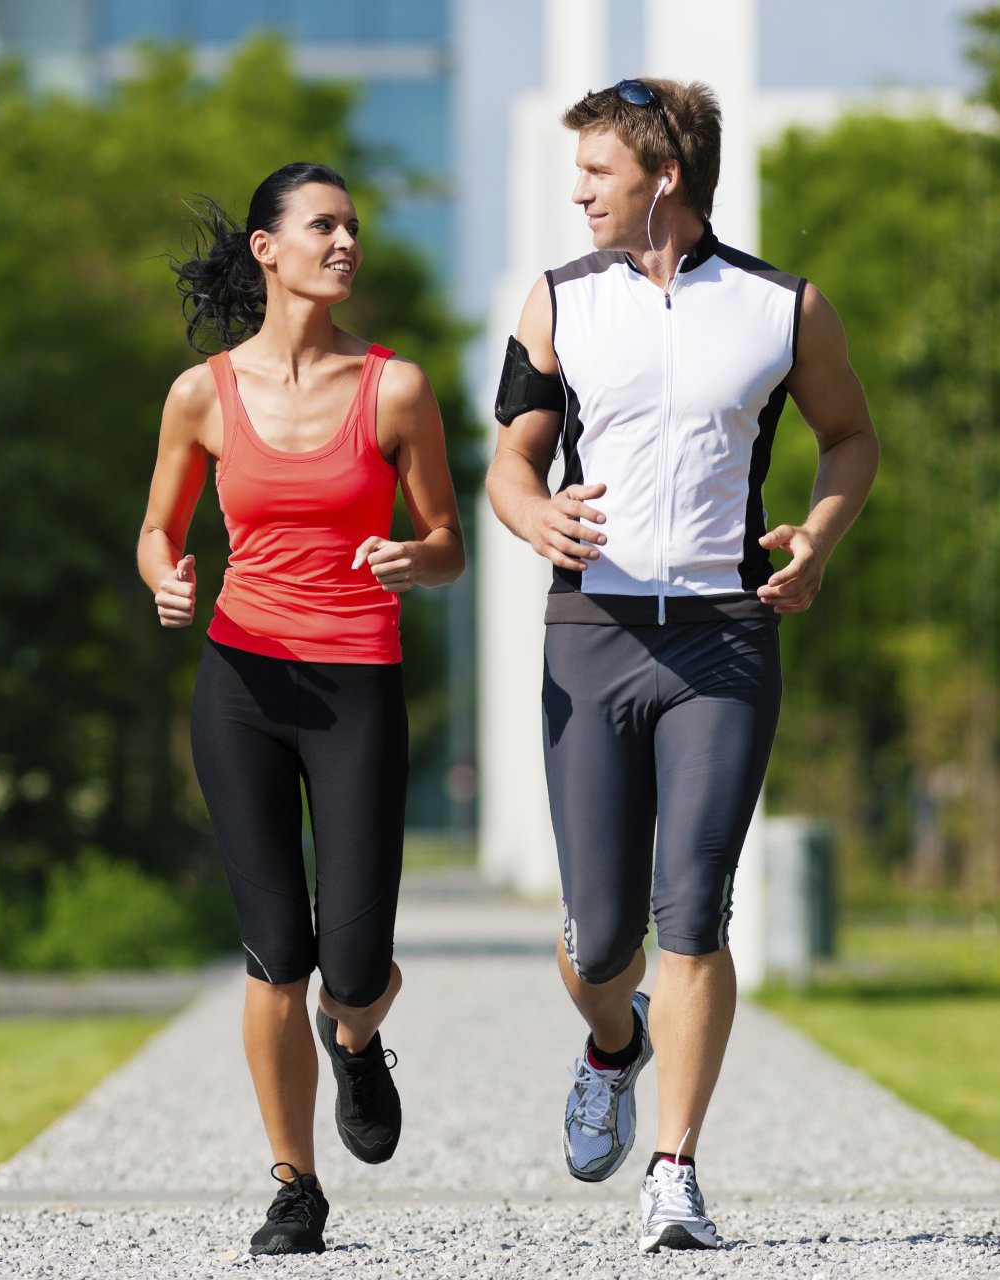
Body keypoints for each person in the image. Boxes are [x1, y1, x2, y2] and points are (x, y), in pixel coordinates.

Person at [486, 79, 879, 1252]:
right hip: (592, 638)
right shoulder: (557, 300)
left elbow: (850, 436)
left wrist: (816, 534)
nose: (578, 191)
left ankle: (675, 1167)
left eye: (596, 171)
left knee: (692, 908)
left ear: (664, 176)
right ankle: (613, 1039)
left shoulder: (783, 305)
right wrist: (531, 517)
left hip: (722, 638)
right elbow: (511, 459)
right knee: (601, 938)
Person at [137, 161, 464, 1256]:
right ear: (266, 248)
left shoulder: (397, 389)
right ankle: (294, 1183)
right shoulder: (202, 395)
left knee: (354, 966)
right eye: (323, 225)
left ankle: (356, 1040)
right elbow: (157, 527)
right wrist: (165, 574)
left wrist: (417, 557)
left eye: (353, 227)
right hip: (241, 685)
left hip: (357, 686)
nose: (346, 242)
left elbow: (451, 542)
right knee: (277, 946)